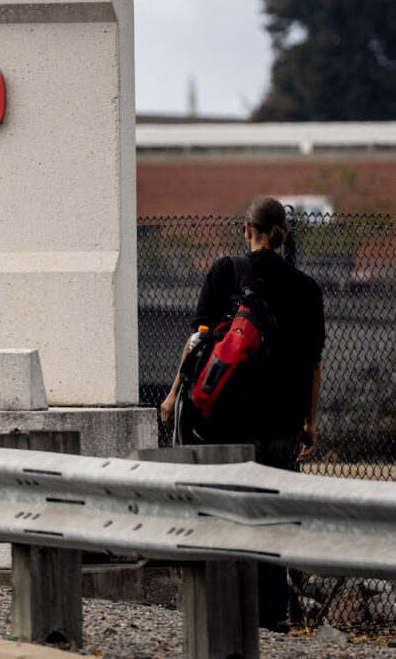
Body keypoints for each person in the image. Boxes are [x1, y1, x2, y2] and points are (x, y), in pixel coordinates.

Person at [158, 195, 325, 630]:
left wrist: (175, 393)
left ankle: (228, 610)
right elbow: (313, 366)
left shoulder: (226, 270)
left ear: (247, 229)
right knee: (272, 514)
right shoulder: (308, 289)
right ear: (284, 235)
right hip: (283, 419)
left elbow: (198, 341)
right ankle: (271, 618)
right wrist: (309, 423)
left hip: (227, 421)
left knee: (228, 510)